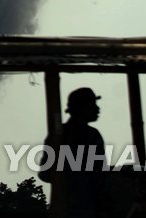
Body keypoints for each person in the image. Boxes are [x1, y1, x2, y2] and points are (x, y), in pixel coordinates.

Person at [39, 87, 110, 217]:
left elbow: (45, 174)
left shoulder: (57, 135)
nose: (97, 109)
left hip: (62, 207)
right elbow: (100, 176)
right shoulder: (92, 136)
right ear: (82, 108)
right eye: (93, 104)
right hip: (87, 209)